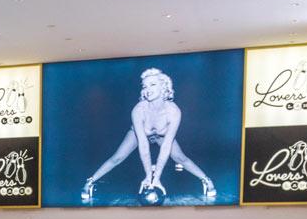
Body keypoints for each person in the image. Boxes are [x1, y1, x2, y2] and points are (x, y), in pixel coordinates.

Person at [81, 68, 215, 205]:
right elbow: (143, 145)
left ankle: (206, 180)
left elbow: (166, 146)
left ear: (164, 87)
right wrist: (148, 176)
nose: (147, 89)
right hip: (139, 135)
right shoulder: (138, 110)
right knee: (118, 157)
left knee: (180, 158)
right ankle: (90, 181)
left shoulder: (173, 111)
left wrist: (156, 178)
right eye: (145, 86)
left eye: (153, 84)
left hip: (162, 137)